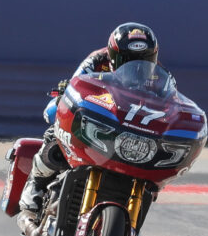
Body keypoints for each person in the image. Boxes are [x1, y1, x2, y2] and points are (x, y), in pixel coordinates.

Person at [18, 22, 159, 217]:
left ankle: (130, 218)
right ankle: (35, 183)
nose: (135, 68)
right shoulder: (96, 60)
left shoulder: (160, 77)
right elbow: (75, 85)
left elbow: (170, 105)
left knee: (151, 176)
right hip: (98, 117)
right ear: (113, 56)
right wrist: (65, 94)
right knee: (59, 129)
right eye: (127, 61)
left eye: (144, 61)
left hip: (129, 132)